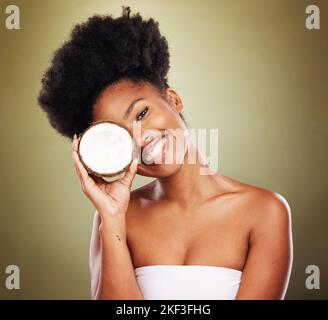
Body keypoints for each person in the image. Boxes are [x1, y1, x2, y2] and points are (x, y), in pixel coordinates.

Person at [38, 6, 293, 300]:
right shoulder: (116, 217)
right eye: (121, 136)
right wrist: (112, 219)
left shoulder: (265, 212)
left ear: (173, 99)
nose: (141, 138)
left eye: (142, 113)